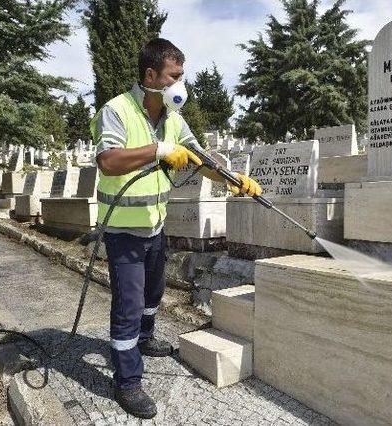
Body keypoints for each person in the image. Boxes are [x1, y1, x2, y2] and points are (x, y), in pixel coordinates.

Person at [90, 38, 262, 419]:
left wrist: (233, 179)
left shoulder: (173, 117)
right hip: (122, 229)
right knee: (129, 305)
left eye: (182, 76)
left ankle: (146, 339)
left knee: (154, 292)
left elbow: (200, 159)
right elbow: (108, 161)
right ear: (151, 75)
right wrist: (158, 151)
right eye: (174, 76)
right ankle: (128, 381)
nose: (180, 84)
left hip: (155, 225)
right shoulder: (117, 110)